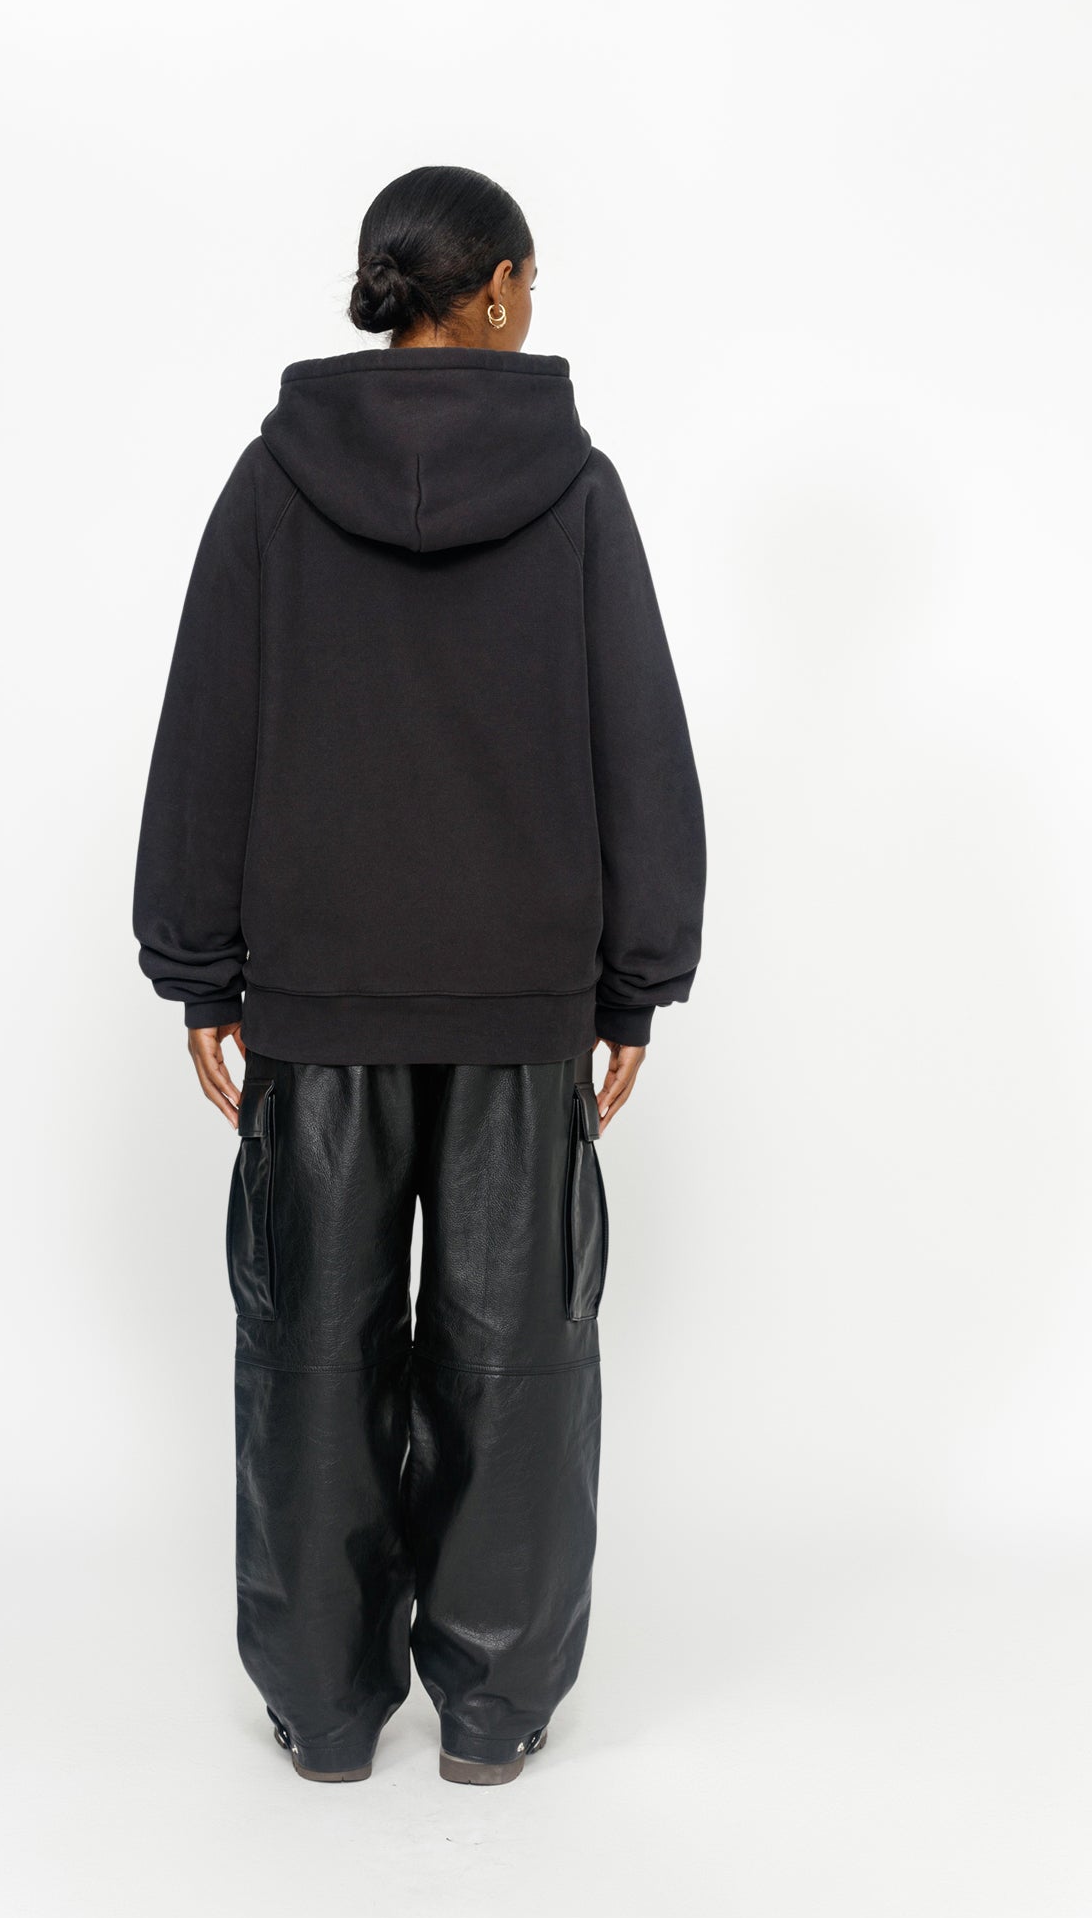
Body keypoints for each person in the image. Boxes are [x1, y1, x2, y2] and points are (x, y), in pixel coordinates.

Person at [132, 166, 706, 1786]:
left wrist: (200, 967)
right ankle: (492, 1715)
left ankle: (323, 1716)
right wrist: (635, 978)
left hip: (318, 1003)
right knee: (515, 1364)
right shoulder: (577, 488)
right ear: (500, 287)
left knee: (311, 1359)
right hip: (521, 1007)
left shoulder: (272, 481)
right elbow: (638, 738)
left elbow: (208, 723)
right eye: (533, 281)